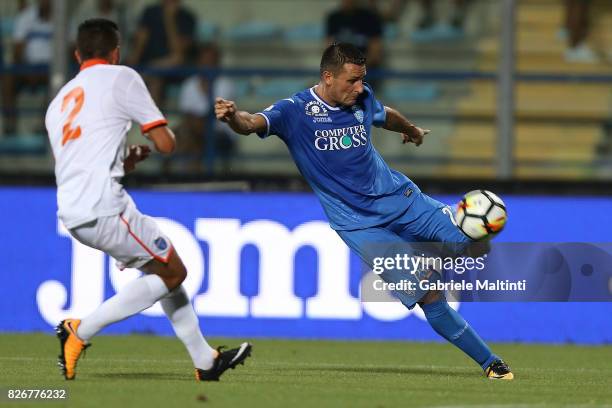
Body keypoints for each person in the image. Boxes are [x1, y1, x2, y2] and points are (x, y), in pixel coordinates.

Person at [215, 42, 513, 380]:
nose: (360, 88)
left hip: (402, 199)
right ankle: (492, 363)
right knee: (428, 294)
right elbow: (251, 122)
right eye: (352, 81)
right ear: (328, 77)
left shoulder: (362, 97)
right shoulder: (293, 111)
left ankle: (433, 256)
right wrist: (232, 118)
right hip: (359, 225)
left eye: (362, 80)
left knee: (474, 241)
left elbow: (385, 115)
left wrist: (410, 129)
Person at [46, 18, 251, 381]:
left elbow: (80, 161)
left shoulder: (58, 102)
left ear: (77, 55)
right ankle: (79, 331)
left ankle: (206, 361)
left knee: (162, 269)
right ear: (117, 52)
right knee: (174, 270)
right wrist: (158, 138)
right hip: (106, 207)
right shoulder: (122, 76)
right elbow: (167, 143)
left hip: (73, 210)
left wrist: (125, 161)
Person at [174, 43, 236, 173]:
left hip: (221, 133)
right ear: (199, 62)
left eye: (211, 61)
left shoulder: (226, 84)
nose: (207, 65)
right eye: (204, 61)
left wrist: (197, 122)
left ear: (217, 63)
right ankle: (168, 178)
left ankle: (193, 178)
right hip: (193, 130)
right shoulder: (189, 85)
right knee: (173, 135)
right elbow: (187, 115)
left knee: (197, 136)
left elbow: (218, 116)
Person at [126, 0, 196, 106]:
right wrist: (134, 59)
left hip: (173, 68)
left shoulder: (187, 17)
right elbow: (142, 37)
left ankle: (152, 120)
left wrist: (169, 19)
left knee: (171, 63)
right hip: (147, 62)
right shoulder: (151, 11)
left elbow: (178, 51)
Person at [2, 0, 52, 136]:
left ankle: (45, 125)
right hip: (27, 67)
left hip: (50, 70)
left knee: (58, 79)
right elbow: (17, 50)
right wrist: (28, 68)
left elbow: (70, 50)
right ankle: (10, 125)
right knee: (7, 77)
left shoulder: (62, 20)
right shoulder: (26, 17)